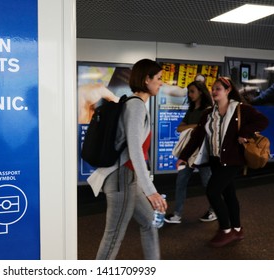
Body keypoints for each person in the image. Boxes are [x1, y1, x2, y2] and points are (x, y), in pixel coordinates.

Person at [87, 59, 167, 259]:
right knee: (113, 236)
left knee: (149, 222)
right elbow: (135, 150)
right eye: (158, 78)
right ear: (146, 79)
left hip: (127, 178)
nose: (161, 83)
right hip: (122, 178)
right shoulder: (137, 106)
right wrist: (151, 191)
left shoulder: (132, 104)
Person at [176, 76, 269, 247]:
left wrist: (244, 133)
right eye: (213, 88)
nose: (213, 91)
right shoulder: (209, 114)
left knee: (212, 191)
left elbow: (263, 121)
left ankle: (226, 230)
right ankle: (237, 229)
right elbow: (197, 137)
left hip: (233, 160)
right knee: (229, 194)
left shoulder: (240, 109)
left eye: (218, 88)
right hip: (215, 161)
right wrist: (183, 156)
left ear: (228, 91)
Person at [165, 81, 216, 224]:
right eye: (189, 92)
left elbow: (205, 129)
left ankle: (214, 210)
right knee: (181, 182)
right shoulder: (192, 110)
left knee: (208, 184)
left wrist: (193, 127)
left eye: (192, 91)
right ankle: (177, 214)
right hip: (188, 153)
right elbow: (179, 128)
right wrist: (197, 126)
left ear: (200, 92)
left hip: (203, 152)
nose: (190, 94)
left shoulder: (208, 110)